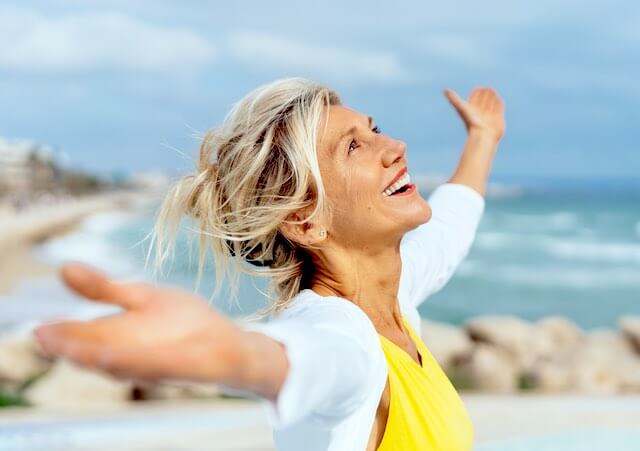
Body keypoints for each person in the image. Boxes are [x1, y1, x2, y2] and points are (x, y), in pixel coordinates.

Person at [35, 78, 505, 450]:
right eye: (353, 147)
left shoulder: (393, 301)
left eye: (373, 129)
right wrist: (227, 352)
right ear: (305, 221)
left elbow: (449, 228)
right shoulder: (345, 337)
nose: (396, 145)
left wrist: (482, 139)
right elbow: (303, 358)